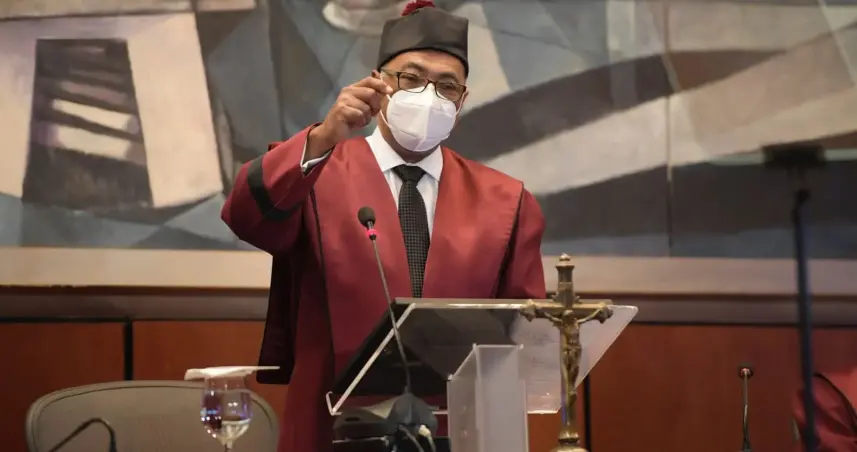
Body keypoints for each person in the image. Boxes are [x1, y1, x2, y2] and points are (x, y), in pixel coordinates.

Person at [221, 1, 546, 451]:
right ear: (378, 83)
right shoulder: (316, 172)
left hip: (457, 430)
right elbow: (245, 216)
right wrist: (325, 135)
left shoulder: (506, 201)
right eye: (411, 78)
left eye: (447, 86)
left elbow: (527, 333)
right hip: (330, 427)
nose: (428, 96)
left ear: (462, 101)